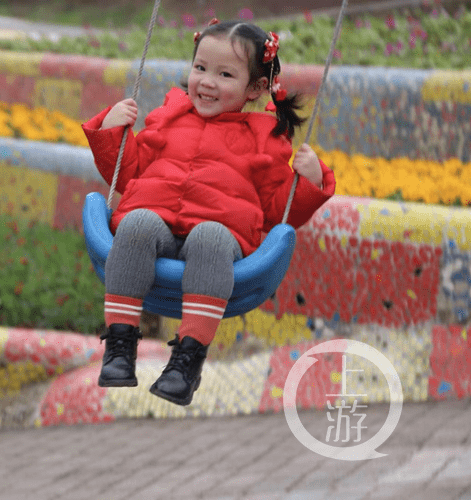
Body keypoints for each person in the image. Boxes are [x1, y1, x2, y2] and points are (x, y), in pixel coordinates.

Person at [82, 20, 335, 406]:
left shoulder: (262, 139)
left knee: (210, 236)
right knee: (136, 222)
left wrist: (309, 182)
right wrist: (113, 133)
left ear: (256, 88)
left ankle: (187, 359)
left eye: (225, 74)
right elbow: (130, 173)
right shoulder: (170, 117)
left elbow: (276, 208)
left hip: (219, 242)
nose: (206, 82)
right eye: (200, 68)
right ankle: (119, 345)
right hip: (157, 229)